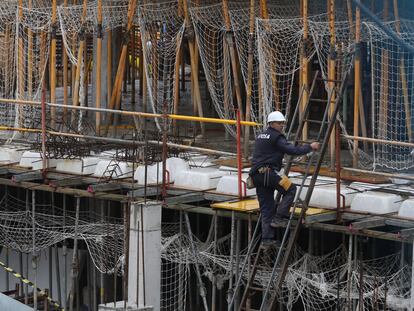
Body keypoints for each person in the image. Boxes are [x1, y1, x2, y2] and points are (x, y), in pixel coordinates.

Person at [249, 111, 320, 247]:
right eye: (279, 123)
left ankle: (267, 239)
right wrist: (309, 147)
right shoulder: (276, 137)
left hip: (257, 176)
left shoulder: (261, 136)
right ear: (271, 123)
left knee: (266, 208)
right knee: (291, 189)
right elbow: (292, 150)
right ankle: (280, 217)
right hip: (269, 174)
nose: (282, 126)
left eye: (282, 123)